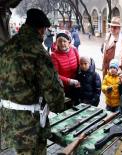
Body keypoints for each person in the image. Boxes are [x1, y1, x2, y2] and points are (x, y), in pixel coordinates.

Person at [0, 8, 65, 155]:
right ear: (41, 29)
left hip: (8, 120)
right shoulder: (38, 52)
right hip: (30, 126)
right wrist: (59, 104)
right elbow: (54, 95)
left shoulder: (7, 47)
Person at [51, 31, 80, 108]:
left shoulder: (74, 50)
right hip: (63, 88)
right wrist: (69, 81)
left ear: (69, 41)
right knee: (67, 109)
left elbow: (79, 66)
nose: (62, 43)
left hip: (76, 86)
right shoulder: (54, 55)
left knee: (78, 107)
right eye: (59, 41)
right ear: (56, 43)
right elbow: (55, 75)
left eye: (64, 41)